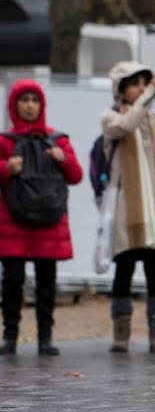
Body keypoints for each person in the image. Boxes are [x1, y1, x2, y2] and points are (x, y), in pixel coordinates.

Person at [101, 63, 155, 354]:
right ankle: (121, 333)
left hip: (154, 208)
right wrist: (150, 93)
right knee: (123, 268)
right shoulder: (111, 117)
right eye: (135, 84)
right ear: (121, 89)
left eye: (144, 83)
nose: (141, 88)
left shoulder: (154, 119)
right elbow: (126, 126)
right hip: (127, 207)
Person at [0, 81, 83, 355]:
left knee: (47, 283)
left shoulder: (59, 140)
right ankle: (10, 336)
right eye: (23, 100)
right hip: (13, 220)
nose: (29, 105)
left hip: (49, 221)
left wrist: (63, 159)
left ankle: (45, 338)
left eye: (34, 100)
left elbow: (76, 175)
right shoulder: (4, 142)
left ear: (41, 105)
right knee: (12, 281)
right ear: (14, 106)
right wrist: (6, 168)